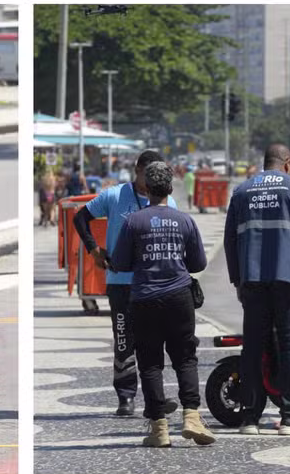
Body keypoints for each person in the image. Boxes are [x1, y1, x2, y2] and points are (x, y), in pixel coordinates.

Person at [224, 143, 290, 435]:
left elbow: (230, 241)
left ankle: (249, 418)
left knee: (253, 347)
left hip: (253, 280)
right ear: (288, 163)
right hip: (289, 279)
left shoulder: (242, 191)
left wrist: (237, 279)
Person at [110, 160, 215, 448]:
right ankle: (192, 417)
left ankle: (159, 429)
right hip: (179, 297)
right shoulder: (184, 220)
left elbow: (118, 262)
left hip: (144, 298)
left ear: (146, 188)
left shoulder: (134, 221)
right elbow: (198, 263)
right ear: (170, 187)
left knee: (150, 363)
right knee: (185, 357)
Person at [74, 150, 178, 416]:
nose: (153, 179)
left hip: (155, 284)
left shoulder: (170, 202)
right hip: (121, 281)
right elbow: (80, 218)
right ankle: (126, 395)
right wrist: (93, 249)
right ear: (137, 170)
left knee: (152, 341)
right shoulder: (115, 195)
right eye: (148, 173)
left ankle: (155, 397)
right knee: (123, 339)